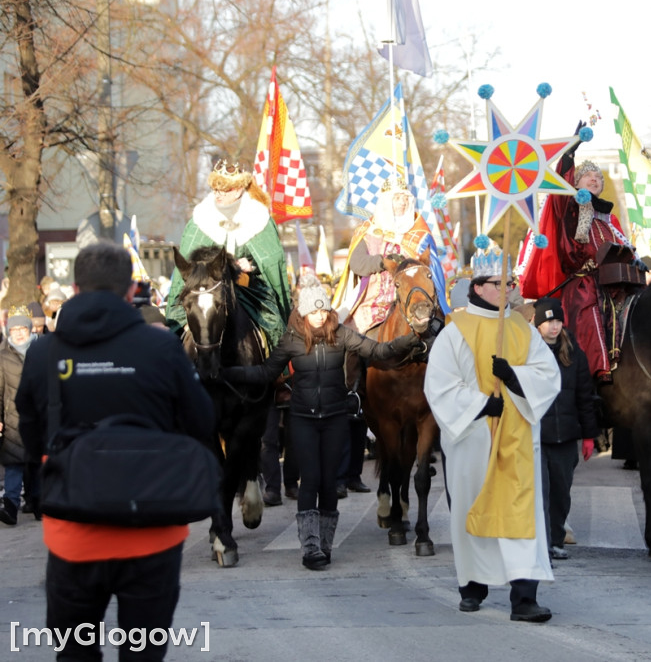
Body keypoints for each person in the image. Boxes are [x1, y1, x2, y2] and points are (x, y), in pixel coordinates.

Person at [15, 242, 215, 661]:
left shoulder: (43, 354)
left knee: (74, 654)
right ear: (130, 291)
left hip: (73, 529)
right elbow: (201, 423)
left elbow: (30, 437)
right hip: (153, 530)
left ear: (74, 287)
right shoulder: (162, 349)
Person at [223, 276, 421, 569]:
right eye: (312, 311)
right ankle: (310, 548)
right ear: (303, 313)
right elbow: (265, 373)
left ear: (329, 312)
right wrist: (228, 372)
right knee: (311, 480)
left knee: (329, 483)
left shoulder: (342, 335)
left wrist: (411, 339)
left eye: (322, 311)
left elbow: (378, 351)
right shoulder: (290, 340)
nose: (318, 316)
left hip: (335, 419)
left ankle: (325, 544)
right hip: (302, 420)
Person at [424, 246, 560, 622]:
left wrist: (514, 377)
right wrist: (483, 405)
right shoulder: (455, 331)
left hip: (516, 439)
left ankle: (524, 597)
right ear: (479, 286)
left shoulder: (520, 327)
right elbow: (439, 385)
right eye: (500, 283)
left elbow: (548, 375)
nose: (508, 289)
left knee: (520, 511)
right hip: (473, 440)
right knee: (474, 507)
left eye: (510, 283)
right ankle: (472, 586)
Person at [521, 140, 645, 382]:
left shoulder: (610, 220)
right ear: (575, 183)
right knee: (588, 304)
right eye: (586, 175)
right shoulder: (571, 210)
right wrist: (569, 155)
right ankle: (596, 372)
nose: (594, 178)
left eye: (597, 176)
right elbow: (560, 195)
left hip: (612, 283)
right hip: (581, 284)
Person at [165, 159, 291, 348]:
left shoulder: (260, 219)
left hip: (247, 288)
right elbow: (187, 266)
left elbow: (272, 264)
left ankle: (277, 373)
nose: (219, 194)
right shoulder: (199, 221)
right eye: (216, 189)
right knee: (177, 328)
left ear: (240, 189)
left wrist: (251, 265)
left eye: (226, 190)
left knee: (273, 324)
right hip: (206, 289)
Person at [334, 178, 449, 333]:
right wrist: (382, 262)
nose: (402, 202)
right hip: (373, 303)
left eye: (405, 198)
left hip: (414, 300)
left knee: (440, 331)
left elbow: (431, 269)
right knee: (348, 339)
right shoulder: (367, 231)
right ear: (386, 201)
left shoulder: (420, 234)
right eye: (397, 198)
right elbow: (357, 263)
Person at [533, 297, 598, 560]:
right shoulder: (527, 353)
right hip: (537, 436)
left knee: (561, 493)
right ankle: (543, 543)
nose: (554, 326)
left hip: (566, 437)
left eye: (558, 320)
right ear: (537, 324)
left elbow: (585, 397)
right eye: (548, 321)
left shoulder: (574, 354)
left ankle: (556, 539)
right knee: (541, 494)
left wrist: (589, 436)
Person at [0, 308, 37, 525]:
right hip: (13, 418)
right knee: (14, 463)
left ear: (29, 329)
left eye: (22, 328)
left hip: (37, 417)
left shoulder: (41, 350)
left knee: (36, 463)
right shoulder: (3, 357)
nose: (19, 333)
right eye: (14, 329)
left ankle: (38, 502)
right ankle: (11, 505)